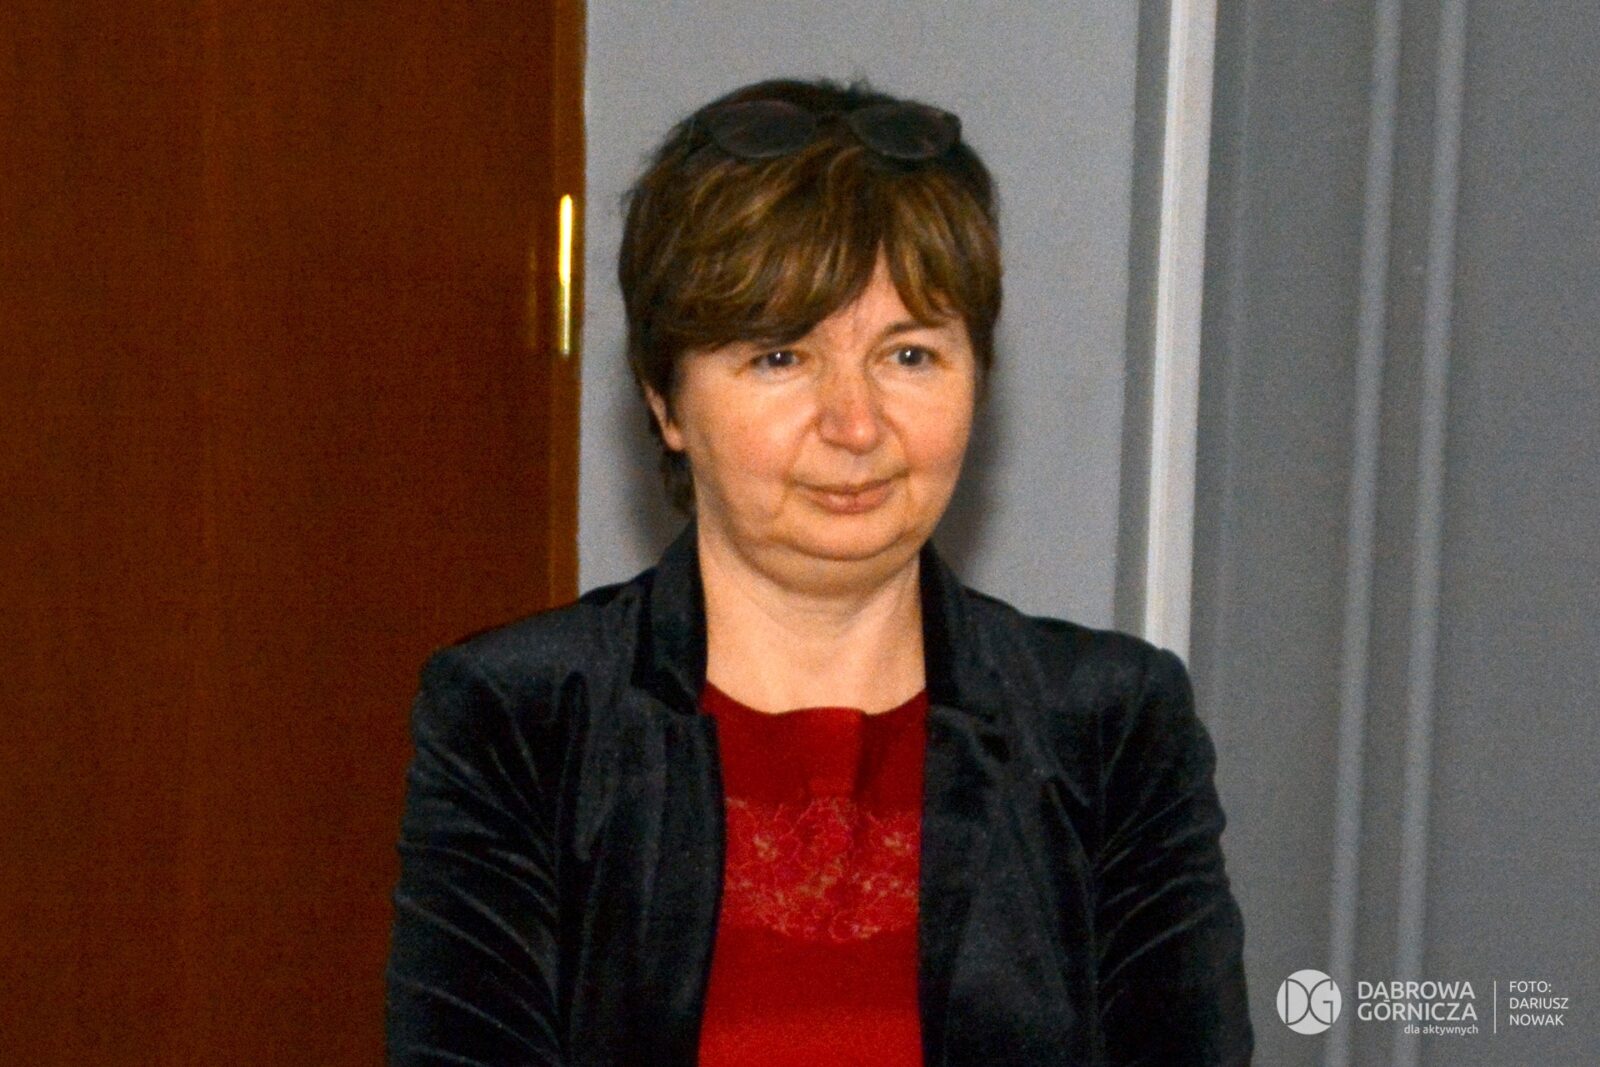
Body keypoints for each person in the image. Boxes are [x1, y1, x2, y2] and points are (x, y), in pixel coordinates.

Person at [385, 78, 1252, 1066]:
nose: (855, 423)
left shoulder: (1111, 725)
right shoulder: (520, 719)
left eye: (909, 355)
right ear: (666, 400)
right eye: (781, 357)